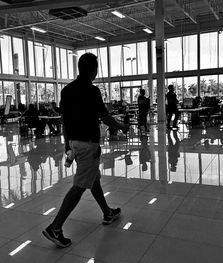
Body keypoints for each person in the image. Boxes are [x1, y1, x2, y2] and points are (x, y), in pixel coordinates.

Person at [42, 53, 129, 248]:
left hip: (74, 142)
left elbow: (64, 120)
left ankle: (107, 212)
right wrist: (122, 126)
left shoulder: (66, 90)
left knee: (93, 177)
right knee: (81, 184)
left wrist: (67, 143)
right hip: (88, 144)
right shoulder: (92, 91)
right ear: (92, 70)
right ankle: (55, 228)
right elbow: (105, 117)